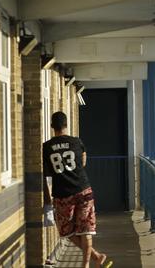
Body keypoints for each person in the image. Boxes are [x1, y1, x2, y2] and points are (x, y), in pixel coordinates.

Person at [43, 111, 111, 268]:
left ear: (52, 126)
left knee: (66, 231)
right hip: (83, 189)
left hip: (62, 195)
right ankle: (88, 262)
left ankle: (93, 259)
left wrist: (47, 201)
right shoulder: (77, 142)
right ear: (66, 125)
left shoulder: (46, 147)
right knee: (86, 229)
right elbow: (83, 162)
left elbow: (45, 174)